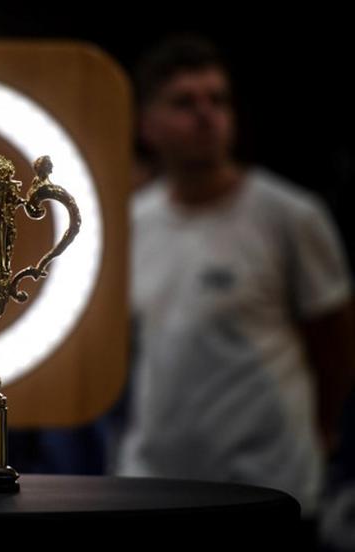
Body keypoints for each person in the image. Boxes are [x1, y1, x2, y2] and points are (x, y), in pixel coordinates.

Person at [115, 33, 355, 533]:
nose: (206, 115)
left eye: (217, 100)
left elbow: (334, 343)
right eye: (184, 102)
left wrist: (322, 432)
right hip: (157, 485)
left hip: (271, 489)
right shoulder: (132, 224)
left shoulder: (289, 217)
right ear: (147, 126)